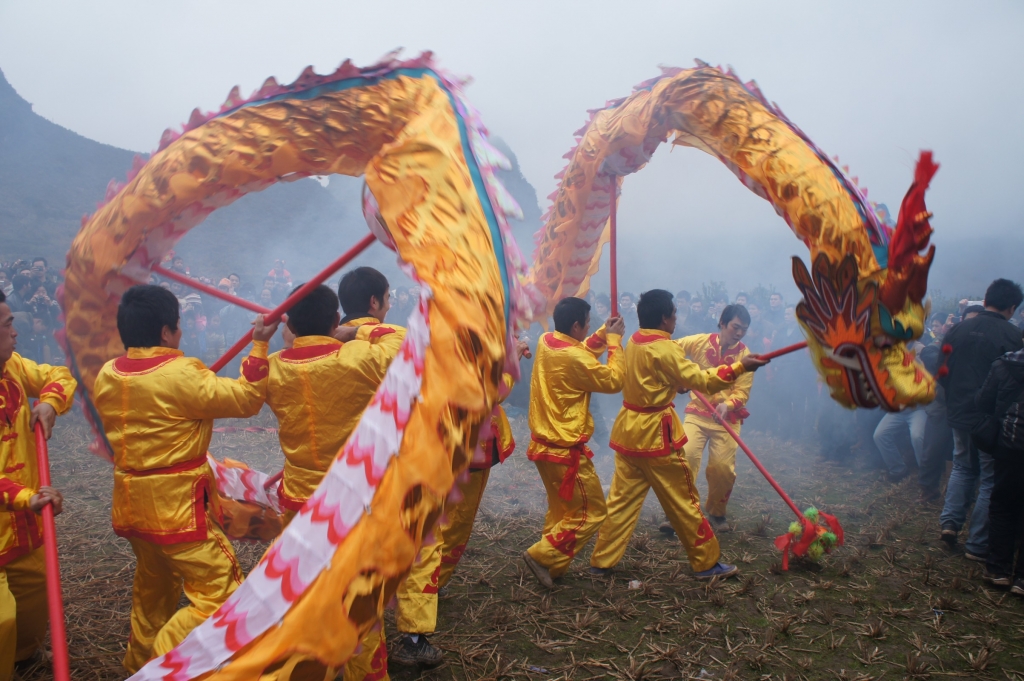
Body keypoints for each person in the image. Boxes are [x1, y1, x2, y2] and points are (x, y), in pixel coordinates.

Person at [92, 285, 278, 673]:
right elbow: (246, 399)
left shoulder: (108, 374)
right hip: (176, 511)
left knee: (152, 594)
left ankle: (137, 664)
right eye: (177, 326)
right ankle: (163, 662)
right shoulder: (181, 373)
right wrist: (259, 345)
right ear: (165, 332)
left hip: (131, 506)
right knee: (222, 594)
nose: (181, 332)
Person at [262, 284, 403, 680]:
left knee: (308, 594)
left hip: (300, 503)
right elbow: (407, 342)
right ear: (336, 320)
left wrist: (265, 342)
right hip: (354, 504)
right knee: (360, 604)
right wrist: (359, 331)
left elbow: (242, 391)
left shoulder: (272, 367)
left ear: (287, 324)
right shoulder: (357, 356)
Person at [589, 290, 767, 580]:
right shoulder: (667, 348)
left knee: (620, 502)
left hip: (629, 433)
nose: (676, 318)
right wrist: (740, 367)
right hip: (656, 437)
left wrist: (675, 383)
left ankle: (602, 561)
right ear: (664, 318)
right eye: (673, 313)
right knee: (684, 500)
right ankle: (706, 562)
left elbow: (658, 376)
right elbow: (703, 380)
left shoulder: (634, 340)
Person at [393, 339, 530, 669]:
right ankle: (419, 608)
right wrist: (510, 362)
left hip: (435, 448)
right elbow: (489, 392)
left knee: (446, 527)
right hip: (454, 447)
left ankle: (429, 588)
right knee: (442, 530)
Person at [521, 297, 625, 588]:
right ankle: (543, 556)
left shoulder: (546, 340)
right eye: (588, 324)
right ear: (576, 325)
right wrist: (615, 342)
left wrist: (604, 332)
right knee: (592, 512)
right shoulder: (574, 358)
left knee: (561, 512)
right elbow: (614, 380)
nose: (590, 328)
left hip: (543, 447)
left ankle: (552, 568)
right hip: (566, 453)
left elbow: (582, 348)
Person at [0, 291, 76, 678]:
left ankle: (21, 656)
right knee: (2, 621)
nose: (16, 332)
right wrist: (28, 497)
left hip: (26, 527)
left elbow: (58, 375)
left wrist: (50, 401)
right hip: (16, 512)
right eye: (7, 325)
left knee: (34, 601)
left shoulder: (11, 366)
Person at [938, 278, 1024, 561]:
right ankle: (976, 545)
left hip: (959, 413)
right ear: (1012, 307)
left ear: (986, 299)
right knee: (988, 479)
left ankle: (949, 524)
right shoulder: (1012, 337)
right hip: (991, 420)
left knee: (962, 467)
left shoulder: (957, 330)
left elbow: (942, 369)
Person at [673, 304, 755, 531]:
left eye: (744, 330)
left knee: (722, 468)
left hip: (726, 420)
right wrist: (680, 376)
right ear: (722, 323)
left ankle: (717, 513)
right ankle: (682, 511)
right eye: (735, 327)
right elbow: (670, 351)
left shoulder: (745, 356)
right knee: (685, 458)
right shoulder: (699, 341)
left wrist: (727, 405)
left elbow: (742, 393)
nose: (738, 333)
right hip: (697, 412)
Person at [976, 347, 1024, 594]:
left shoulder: (1004, 364)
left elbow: (984, 401)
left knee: (1003, 504)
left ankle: (998, 570)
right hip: (1011, 444)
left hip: (1011, 443)